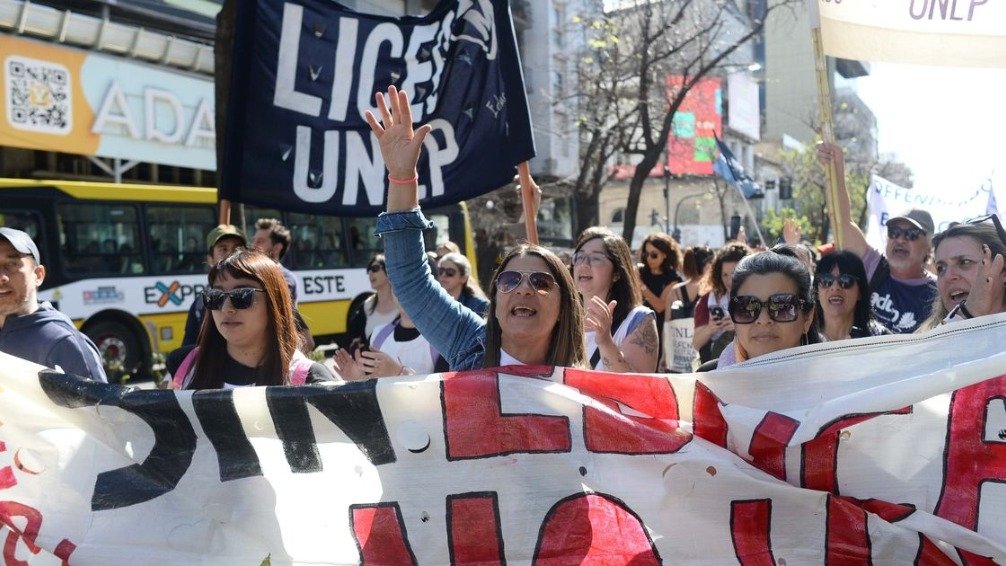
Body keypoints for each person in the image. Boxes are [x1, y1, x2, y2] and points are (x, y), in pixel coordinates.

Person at [365, 85, 587, 369]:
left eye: (541, 282)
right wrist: (402, 176)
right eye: (509, 280)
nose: (523, 290)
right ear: (495, 300)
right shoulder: (471, 344)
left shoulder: (584, 386)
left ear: (564, 305)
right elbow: (409, 279)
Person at [167, 249, 336, 389]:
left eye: (242, 296)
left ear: (274, 303)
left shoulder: (310, 381)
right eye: (216, 296)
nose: (226, 308)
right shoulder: (184, 366)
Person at [818, 142, 937, 333]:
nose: (900, 239)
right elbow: (843, 221)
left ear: (929, 247)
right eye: (894, 232)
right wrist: (837, 166)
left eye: (911, 234)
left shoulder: (939, 293)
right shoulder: (873, 266)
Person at [0, 227, 107, 381]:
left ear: (38, 275)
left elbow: (96, 397)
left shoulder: (63, 343)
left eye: (12, 264)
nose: (2, 277)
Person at [700, 252, 818, 371]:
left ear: (807, 318)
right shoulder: (707, 378)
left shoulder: (828, 379)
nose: (763, 320)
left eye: (781, 307)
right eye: (748, 307)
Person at [573, 227, 659, 373]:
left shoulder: (638, 319)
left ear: (617, 273)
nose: (584, 264)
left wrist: (605, 341)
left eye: (596, 258)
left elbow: (637, 385)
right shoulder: (559, 317)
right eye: (579, 257)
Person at [918, 216, 1006, 330]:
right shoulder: (926, 337)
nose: (948, 276)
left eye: (964, 262)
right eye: (941, 268)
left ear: (1002, 269)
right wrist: (965, 315)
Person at [182, 224, 247, 346]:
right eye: (223, 249)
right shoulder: (201, 304)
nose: (231, 255)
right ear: (210, 259)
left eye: (237, 249)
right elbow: (190, 347)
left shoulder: (261, 293)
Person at [692, 243, 750, 363]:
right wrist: (710, 328)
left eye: (734, 273)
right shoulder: (708, 300)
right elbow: (696, 344)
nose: (729, 280)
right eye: (725, 275)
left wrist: (739, 326)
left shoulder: (761, 296)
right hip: (716, 364)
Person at [814, 251, 889, 340]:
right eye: (826, 280)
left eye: (845, 280)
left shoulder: (880, 338)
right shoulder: (805, 338)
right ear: (817, 291)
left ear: (860, 292)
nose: (835, 287)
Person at [346, 254, 399, 353]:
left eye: (375, 268)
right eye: (368, 270)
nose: (370, 273)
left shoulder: (403, 305)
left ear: (388, 270)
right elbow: (352, 338)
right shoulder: (366, 306)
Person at [251, 218, 298, 302]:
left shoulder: (285, 279)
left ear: (277, 248)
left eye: (260, 241)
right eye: (253, 240)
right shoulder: (249, 273)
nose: (253, 245)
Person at [637, 232, 683, 318]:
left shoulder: (673, 278)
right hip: (640, 322)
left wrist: (640, 285)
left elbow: (660, 307)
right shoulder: (640, 272)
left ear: (664, 255)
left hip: (660, 324)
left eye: (654, 255)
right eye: (646, 254)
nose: (649, 258)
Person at [436, 252, 489, 316]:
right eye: (441, 271)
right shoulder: (432, 300)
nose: (443, 275)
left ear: (464, 278)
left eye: (450, 272)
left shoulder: (479, 305)